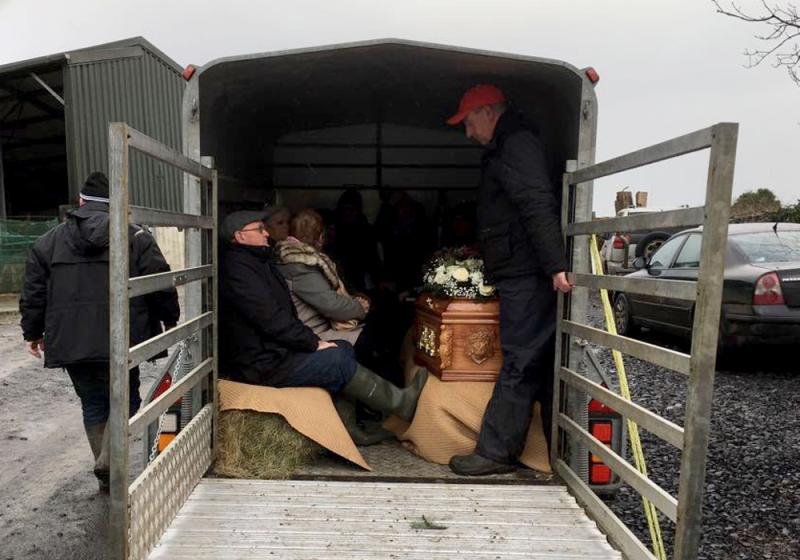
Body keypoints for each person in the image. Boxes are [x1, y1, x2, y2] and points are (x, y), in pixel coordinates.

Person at [19, 172, 180, 492]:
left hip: (72, 340)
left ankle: (105, 464)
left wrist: (32, 332)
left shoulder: (46, 243)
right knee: (125, 401)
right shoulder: (136, 237)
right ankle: (108, 460)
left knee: (92, 402)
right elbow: (159, 283)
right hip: (124, 338)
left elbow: (34, 293)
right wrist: (170, 319)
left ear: (80, 202)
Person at [445, 85, 573, 476]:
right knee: (533, 357)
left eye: (468, 122)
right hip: (522, 268)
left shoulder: (516, 144)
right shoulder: (508, 144)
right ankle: (556, 449)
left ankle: (497, 451)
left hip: (529, 272)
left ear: (487, 112)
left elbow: (535, 202)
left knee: (520, 357)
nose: (468, 133)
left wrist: (555, 265)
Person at [218, 210, 427, 444]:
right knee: (336, 360)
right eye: (259, 229)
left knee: (343, 350)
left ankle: (350, 430)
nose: (266, 232)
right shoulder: (238, 270)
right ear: (240, 236)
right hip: (262, 363)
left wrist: (312, 342)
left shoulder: (257, 262)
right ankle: (401, 403)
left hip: (274, 351)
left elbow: (284, 315)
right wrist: (312, 342)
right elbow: (271, 318)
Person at [274, 208, 368, 345]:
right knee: (372, 336)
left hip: (313, 327)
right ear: (320, 237)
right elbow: (332, 305)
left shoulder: (288, 257)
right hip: (314, 333)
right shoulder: (300, 265)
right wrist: (359, 307)